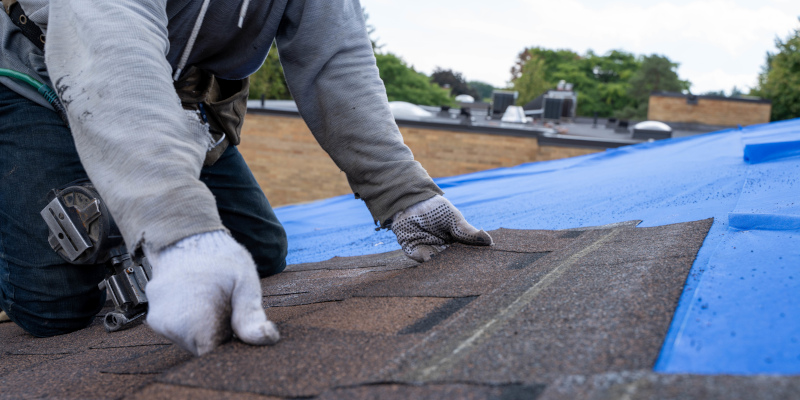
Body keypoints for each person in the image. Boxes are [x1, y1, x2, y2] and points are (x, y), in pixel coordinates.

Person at [0, 0, 492, 356]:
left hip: (167, 88)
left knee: (258, 253)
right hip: (35, 76)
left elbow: (334, 58)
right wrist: (179, 233)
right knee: (54, 309)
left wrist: (405, 195)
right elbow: (108, 42)